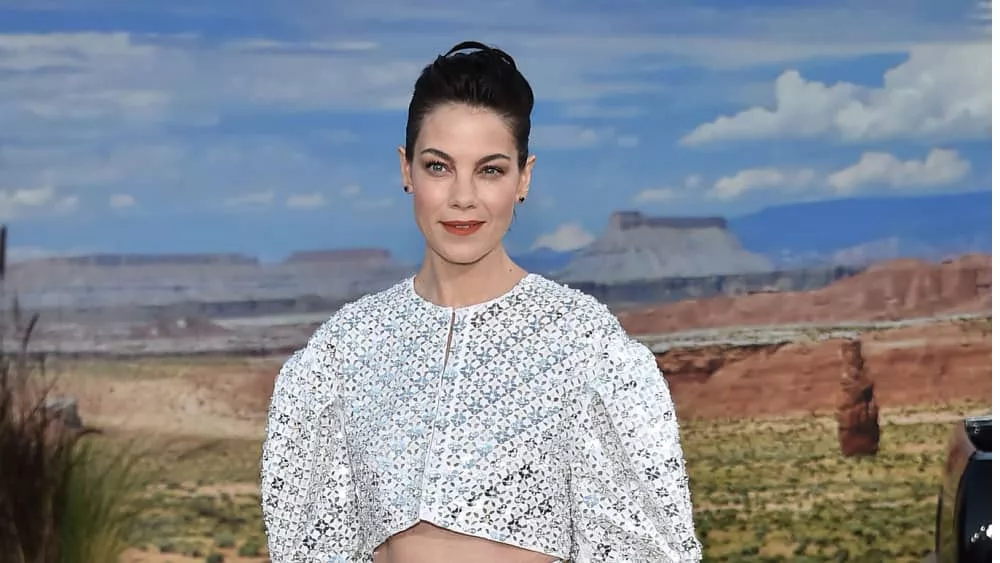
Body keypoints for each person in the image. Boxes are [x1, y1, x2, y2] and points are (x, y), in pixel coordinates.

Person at [260, 40, 702, 563]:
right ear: (406, 171)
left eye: (489, 169)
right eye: (438, 167)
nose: (463, 197)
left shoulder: (587, 346)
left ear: (524, 177)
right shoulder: (340, 353)